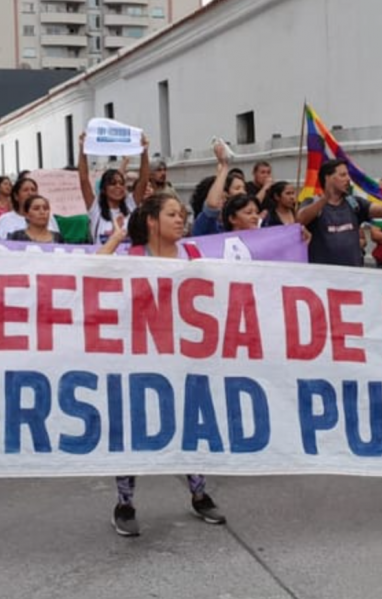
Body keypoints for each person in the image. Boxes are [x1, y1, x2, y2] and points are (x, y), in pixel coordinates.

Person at [96, 194, 225, 536]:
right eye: (172, 214)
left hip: (186, 359)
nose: (181, 219)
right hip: (139, 359)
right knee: (133, 429)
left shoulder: (192, 254)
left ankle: (199, 494)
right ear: (152, 221)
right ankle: (124, 504)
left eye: (182, 214)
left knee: (190, 425)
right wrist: (117, 237)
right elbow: (91, 274)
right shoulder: (134, 257)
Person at [297, 160, 382, 266]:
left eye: (347, 175)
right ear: (328, 178)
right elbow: (300, 220)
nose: (348, 179)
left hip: (352, 274)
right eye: (343, 175)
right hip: (323, 274)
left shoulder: (354, 203)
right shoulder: (312, 202)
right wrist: (325, 198)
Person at [78, 133, 151, 245]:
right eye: (113, 183)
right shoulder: (95, 208)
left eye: (121, 183)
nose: (118, 186)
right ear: (103, 189)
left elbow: (144, 180)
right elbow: (83, 179)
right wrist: (82, 148)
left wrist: (144, 151)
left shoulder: (130, 205)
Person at [0, 176, 58, 240]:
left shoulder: (47, 217)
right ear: (16, 196)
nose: (30, 193)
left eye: (33, 190)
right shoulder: (4, 220)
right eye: (25, 190)